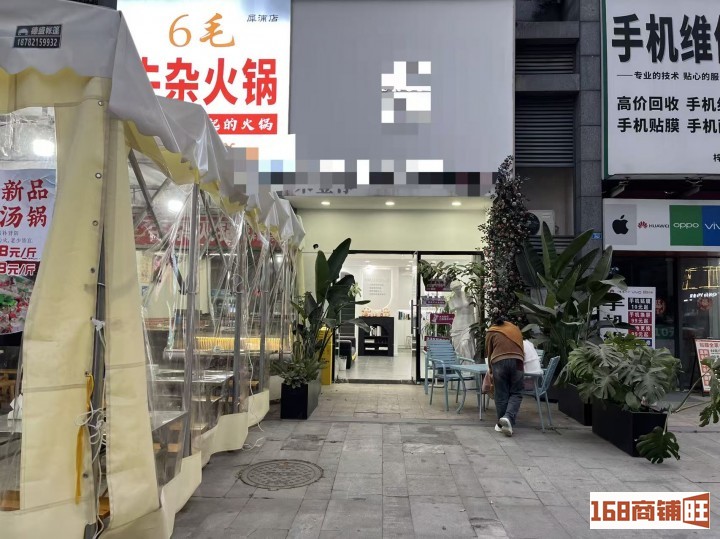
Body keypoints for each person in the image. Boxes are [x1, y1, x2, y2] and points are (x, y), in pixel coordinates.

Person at [485, 316, 524, 437]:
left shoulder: (492, 331)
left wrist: (491, 370)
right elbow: (521, 348)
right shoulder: (515, 329)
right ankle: (507, 419)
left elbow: (489, 352)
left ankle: (502, 423)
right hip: (517, 361)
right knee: (516, 392)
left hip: (499, 361)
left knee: (501, 393)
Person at [448, 281, 476, 360]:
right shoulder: (452, 300)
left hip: (468, 323)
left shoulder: (467, 295)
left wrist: (473, 324)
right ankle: (462, 364)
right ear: (453, 290)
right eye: (455, 289)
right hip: (457, 324)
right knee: (458, 347)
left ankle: (469, 363)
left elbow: (472, 311)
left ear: (461, 287)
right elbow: (451, 309)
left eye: (458, 288)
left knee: (465, 344)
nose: (457, 290)